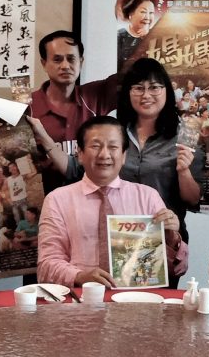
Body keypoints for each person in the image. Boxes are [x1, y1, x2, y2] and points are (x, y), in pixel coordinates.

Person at [37, 117, 187, 288]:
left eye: (113, 147)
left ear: (123, 156)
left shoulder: (147, 197)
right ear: (80, 154)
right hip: (80, 299)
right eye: (95, 146)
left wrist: (171, 238)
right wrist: (80, 276)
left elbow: (178, 269)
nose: (104, 154)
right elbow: (46, 266)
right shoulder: (57, 200)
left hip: (137, 300)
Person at [26, 31, 121, 193]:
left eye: (71, 59)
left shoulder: (96, 95)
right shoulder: (27, 107)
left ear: (81, 62)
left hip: (92, 197)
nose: (65, 66)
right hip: (46, 200)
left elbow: (135, 72)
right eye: (57, 59)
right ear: (44, 63)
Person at [116, 0, 157, 71]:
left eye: (151, 13)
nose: (148, 17)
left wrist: (148, 36)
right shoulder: (119, 36)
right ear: (130, 14)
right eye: (143, 12)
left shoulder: (156, 35)